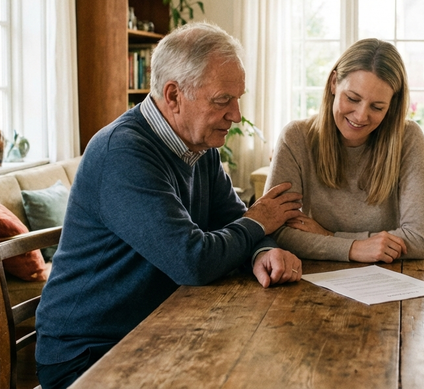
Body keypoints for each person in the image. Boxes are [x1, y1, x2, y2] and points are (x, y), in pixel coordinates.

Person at [35, 22, 304, 389]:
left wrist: (263, 251)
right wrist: (260, 223)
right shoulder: (124, 152)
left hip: (157, 326)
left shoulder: (199, 144)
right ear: (174, 95)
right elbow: (191, 260)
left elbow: (234, 219)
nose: (236, 115)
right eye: (223, 100)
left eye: (238, 98)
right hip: (89, 352)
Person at [266, 38, 424, 262]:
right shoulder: (296, 138)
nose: (360, 116)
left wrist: (331, 237)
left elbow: (420, 240)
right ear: (334, 82)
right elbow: (276, 232)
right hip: (318, 278)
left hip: (389, 278)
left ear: (392, 105)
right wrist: (354, 249)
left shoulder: (408, 138)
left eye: (377, 107)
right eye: (352, 98)